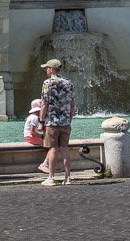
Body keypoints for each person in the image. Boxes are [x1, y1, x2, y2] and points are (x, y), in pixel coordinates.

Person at [39, 58, 76, 186]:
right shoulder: (68, 83)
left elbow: (44, 103)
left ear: (51, 69)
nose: (46, 70)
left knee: (53, 149)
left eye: (47, 68)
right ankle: (68, 178)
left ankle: (51, 177)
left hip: (52, 121)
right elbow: (72, 104)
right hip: (65, 121)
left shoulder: (47, 83)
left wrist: (41, 120)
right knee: (65, 149)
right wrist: (69, 118)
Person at [23, 97, 50, 173]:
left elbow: (36, 130)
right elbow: (32, 132)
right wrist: (41, 136)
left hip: (28, 137)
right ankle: (45, 164)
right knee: (51, 146)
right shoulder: (34, 117)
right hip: (31, 137)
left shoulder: (32, 116)